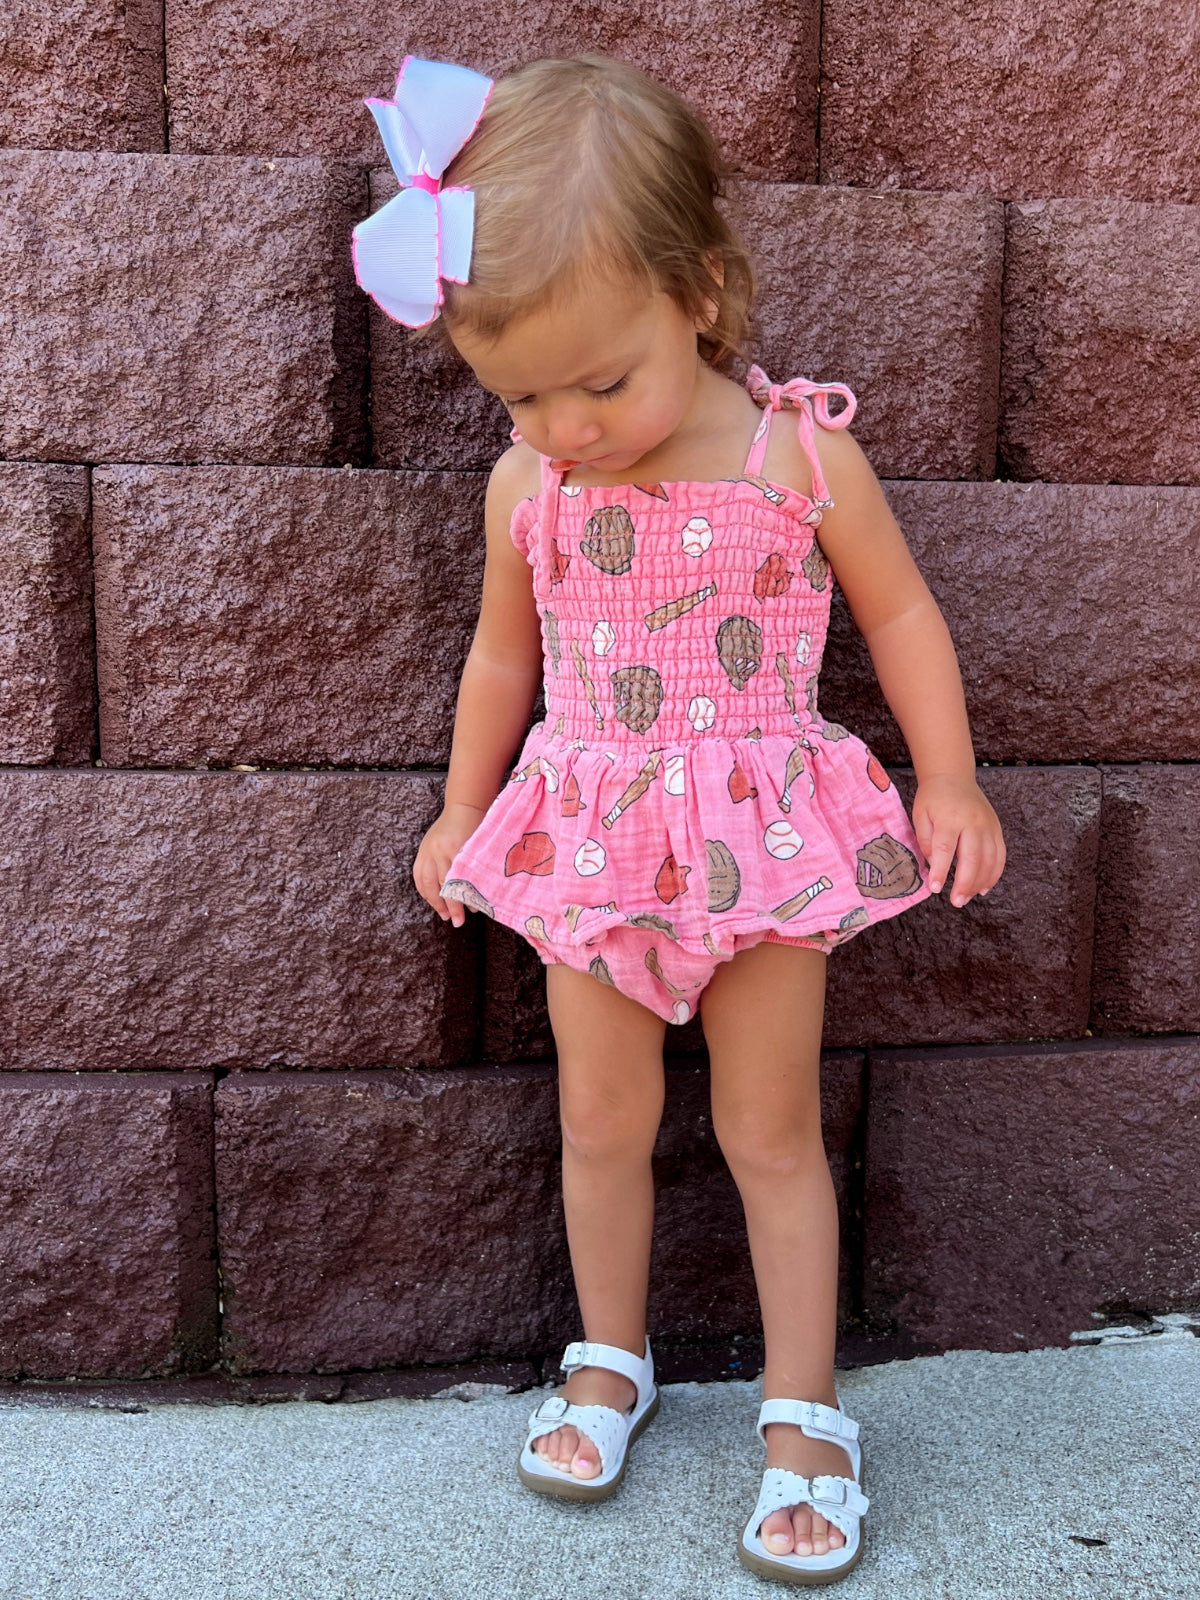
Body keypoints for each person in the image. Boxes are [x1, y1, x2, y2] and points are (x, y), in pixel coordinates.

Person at [354, 52, 1006, 1585]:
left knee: (770, 1130)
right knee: (601, 1120)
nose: (566, 425)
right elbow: (502, 659)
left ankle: (804, 1413)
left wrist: (951, 776)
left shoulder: (798, 457)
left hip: (763, 844)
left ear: (699, 294)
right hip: (588, 844)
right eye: (522, 393)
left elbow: (901, 615)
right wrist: (460, 812)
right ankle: (609, 1358)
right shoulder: (528, 487)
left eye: (601, 382)